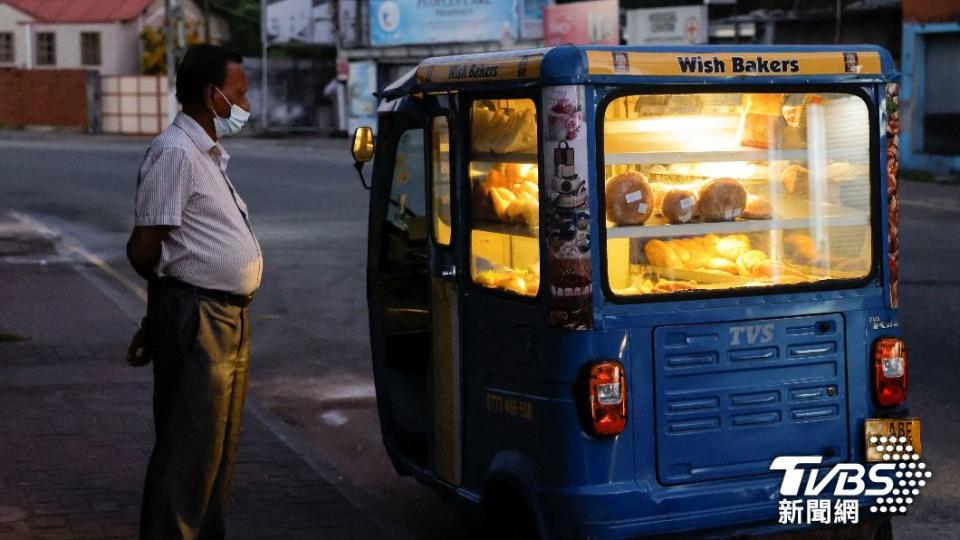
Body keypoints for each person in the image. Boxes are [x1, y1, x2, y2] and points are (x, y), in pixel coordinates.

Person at [127, 44, 262, 540]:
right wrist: (165, 315)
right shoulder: (175, 154)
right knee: (189, 451)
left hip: (225, 318)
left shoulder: (207, 154)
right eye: (239, 93)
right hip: (197, 318)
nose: (247, 104)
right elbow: (145, 250)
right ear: (212, 95)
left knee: (216, 452)